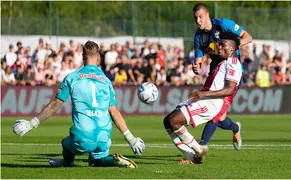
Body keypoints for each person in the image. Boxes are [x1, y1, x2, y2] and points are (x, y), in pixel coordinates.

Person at [13, 41, 145, 168]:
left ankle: (68, 162)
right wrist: (131, 138)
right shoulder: (106, 81)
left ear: (82, 57)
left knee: (65, 143)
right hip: (104, 137)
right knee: (96, 161)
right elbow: (114, 112)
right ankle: (115, 161)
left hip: (83, 137)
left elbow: (55, 105)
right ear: (98, 58)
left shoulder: (72, 77)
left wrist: (31, 124)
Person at [163, 32, 243, 164]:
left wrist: (204, 94)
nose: (219, 47)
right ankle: (189, 155)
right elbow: (206, 49)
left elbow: (230, 89)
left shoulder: (233, 63)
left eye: (223, 45)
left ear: (232, 49)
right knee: (168, 121)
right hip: (203, 98)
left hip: (210, 103)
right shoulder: (223, 60)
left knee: (175, 121)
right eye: (219, 44)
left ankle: (198, 150)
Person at [191, 3, 252, 151]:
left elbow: (248, 37)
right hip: (215, 74)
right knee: (220, 118)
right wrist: (196, 68)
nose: (198, 21)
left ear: (207, 15)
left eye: (200, 17)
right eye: (195, 18)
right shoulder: (199, 36)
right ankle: (235, 128)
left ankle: (201, 148)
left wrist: (235, 45)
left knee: (215, 115)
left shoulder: (223, 24)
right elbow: (198, 61)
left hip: (232, 73)